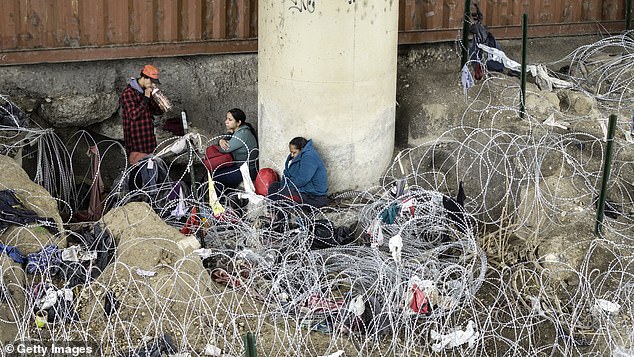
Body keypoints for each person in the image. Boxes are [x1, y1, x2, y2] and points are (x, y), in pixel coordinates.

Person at [119, 64, 165, 165]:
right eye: (151, 82)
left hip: (149, 141)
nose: (152, 85)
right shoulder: (128, 93)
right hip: (136, 143)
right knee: (138, 174)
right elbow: (134, 115)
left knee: (151, 171)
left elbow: (157, 112)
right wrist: (146, 98)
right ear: (144, 78)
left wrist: (159, 101)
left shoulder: (146, 91)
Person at [267, 137, 328, 208]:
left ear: (301, 149)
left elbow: (303, 179)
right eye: (291, 152)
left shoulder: (309, 156)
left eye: (294, 152)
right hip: (303, 192)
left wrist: (285, 188)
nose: (292, 155)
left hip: (315, 198)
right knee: (274, 186)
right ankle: (274, 212)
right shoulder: (299, 156)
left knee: (284, 193)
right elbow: (288, 176)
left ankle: (280, 217)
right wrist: (283, 186)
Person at [213, 108, 259, 192]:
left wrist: (223, 138)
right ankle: (229, 197)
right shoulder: (240, 131)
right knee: (219, 171)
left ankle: (222, 201)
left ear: (238, 122)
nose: (226, 122)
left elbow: (223, 149)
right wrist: (223, 139)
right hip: (241, 167)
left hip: (247, 171)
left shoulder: (242, 134)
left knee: (216, 176)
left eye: (230, 120)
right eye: (226, 118)